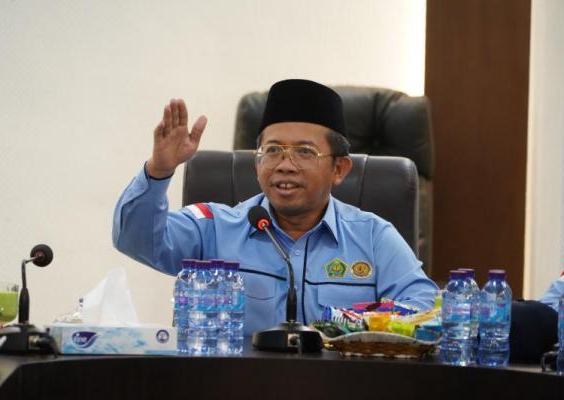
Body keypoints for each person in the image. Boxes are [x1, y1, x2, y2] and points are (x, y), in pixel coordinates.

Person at [113, 79, 438, 335]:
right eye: (272, 151)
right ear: (257, 164)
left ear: (339, 169)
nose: (285, 165)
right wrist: (158, 171)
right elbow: (135, 240)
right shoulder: (214, 228)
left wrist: (362, 326)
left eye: (305, 152)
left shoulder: (374, 238)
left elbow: (424, 310)